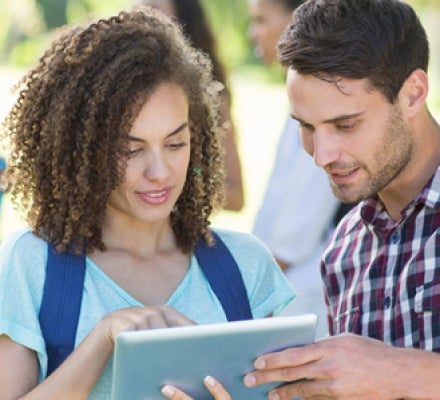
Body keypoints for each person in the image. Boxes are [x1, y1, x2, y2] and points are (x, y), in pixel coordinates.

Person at [0, 7, 295, 399]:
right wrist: (103, 339)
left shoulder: (246, 267)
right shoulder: (32, 266)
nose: (160, 171)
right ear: (82, 150)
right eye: (130, 149)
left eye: (175, 143)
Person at [240, 0, 440, 398]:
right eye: (307, 127)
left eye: (345, 125)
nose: (321, 155)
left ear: (413, 94)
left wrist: (402, 372)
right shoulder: (344, 249)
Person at [248, 0, 339, 339]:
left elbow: (294, 235)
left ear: (296, 19)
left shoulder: (323, 109)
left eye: (260, 19)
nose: (252, 33)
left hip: (299, 296)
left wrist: (250, 298)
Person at [134, 0, 244, 212]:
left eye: (153, 10)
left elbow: (236, 196)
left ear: (183, 20)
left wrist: (177, 182)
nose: (141, 19)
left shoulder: (211, 99)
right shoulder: (114, 97)